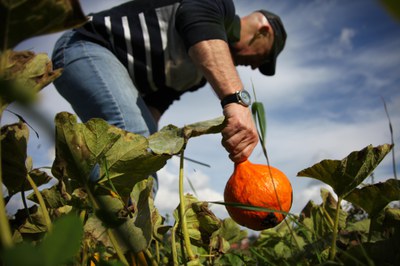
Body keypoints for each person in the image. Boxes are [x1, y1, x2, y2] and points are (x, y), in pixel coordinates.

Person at [51, 0, 287, 191]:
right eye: (264, 58)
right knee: (130, 146)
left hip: (110, 71)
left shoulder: (197, 76)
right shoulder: (219, 7)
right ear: (263, 31)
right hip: (85, 45)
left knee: (140, 150)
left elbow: (155, 104)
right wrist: (237, 103)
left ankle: (82, 219)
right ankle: (116, 239)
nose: (256, 66)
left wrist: (150, 146)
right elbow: (198, 22)